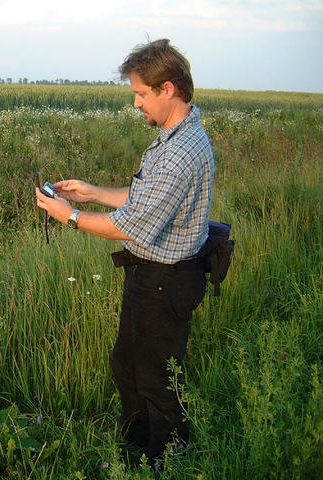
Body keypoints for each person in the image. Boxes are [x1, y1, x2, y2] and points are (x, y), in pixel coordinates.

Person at [35, 38, 214, 468]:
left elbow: (128, 226)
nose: (136, 103)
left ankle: (166, 459)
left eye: (140, 93)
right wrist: (92, 192)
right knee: (128, 364)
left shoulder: (181, 154)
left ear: (167, 88)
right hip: (148, 275)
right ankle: (134, 446)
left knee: (157, 379)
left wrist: (71, 216)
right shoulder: (176, 137)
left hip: (165, 281)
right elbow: (144, 199)